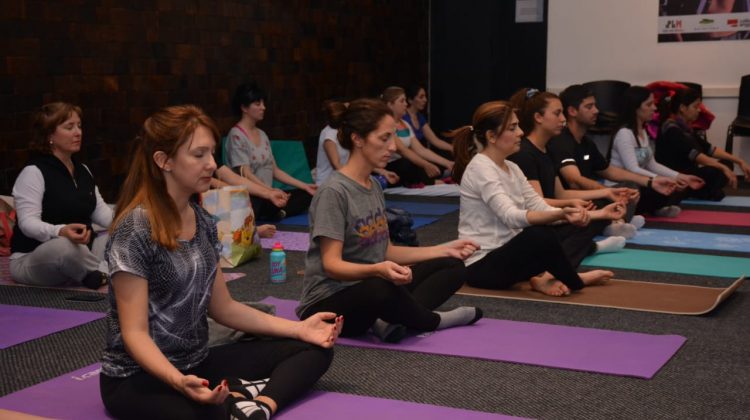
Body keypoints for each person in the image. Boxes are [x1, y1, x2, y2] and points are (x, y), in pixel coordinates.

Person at [100, 105, 342, 420]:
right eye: (199, 155)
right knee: (210, 414)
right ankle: (238, 398)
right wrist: (178, 381)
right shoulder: (134, 229)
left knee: (313, 349)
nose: (212, 164)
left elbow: (223, 308)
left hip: (197, 363)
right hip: (137, 377)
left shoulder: (203, 221)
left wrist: (299, 329)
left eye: (212, 153)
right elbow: (134, 334)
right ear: (164, 161)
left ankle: (259, 405)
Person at [296, 98, 482, 344]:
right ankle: (430, 320)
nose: (393, 147)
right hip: (328, 304)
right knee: (380, 286)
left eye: (392, 138)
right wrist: (377, 270)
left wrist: (444, 249)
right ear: (358, 139)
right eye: (384, 138)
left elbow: (386, 251)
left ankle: (390, 319)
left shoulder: (372, 185)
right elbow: (332, 265)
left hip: (372, 289)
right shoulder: (334, 192)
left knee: (452, 266)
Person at [451, 101, 614, 296]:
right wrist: (561, 213)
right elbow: (511, 216)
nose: (520, 132)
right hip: (481, 267)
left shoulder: (512, 168)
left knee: (572, 226)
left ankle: (544, 278)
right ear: (491, 136)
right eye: (513, 128)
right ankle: (575, 280)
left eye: (518, 126)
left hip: (511, 258)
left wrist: (596, 214)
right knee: (539, 234)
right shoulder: (481, 168)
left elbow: (540, 206)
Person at [508, 88, 628, 266]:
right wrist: (575, 207)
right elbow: (538, 204)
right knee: (585, 220)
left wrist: (607, 193)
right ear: (538, 118)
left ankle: (577, 251)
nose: (563, 119)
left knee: (596, 210)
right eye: (557, 113)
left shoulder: (546, 149)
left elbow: (562, 194)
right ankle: (565, 263)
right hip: (532, 225)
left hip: (547, 218)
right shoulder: (525, 154)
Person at [10, 102, 112, 289]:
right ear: (49, 135)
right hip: (34, 258)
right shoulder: (34, 172)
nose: (78, 132)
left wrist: (134, 222)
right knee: (64, 247)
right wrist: (60, 231)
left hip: (82, 253)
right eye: (69, 127)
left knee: (124, 232)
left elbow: (102, 213)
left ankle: (98, 273)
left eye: (79, 126)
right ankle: (105, 272)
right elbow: (27, 224)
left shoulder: (83, 170)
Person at [547, 84, 678, 222]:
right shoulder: (561, 140)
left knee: (631, 187)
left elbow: (608, 171)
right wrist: (608, 192)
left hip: (589, 196)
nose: (596, 111)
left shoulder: (586, 142)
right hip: (573, 200)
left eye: (595, 106)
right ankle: (614, 220)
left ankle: (616, 219)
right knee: (620, 193)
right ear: (572, 111)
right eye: (589, 107)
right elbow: (574, 181)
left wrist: (651, 182)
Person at [224, 82, 317, 221]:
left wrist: (305, 186)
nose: (263, 107)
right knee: (268, 200)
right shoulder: (236, 135)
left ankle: (280, 212)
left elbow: (275, 171)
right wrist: (269, 191)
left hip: (268, 194)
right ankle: (275, 211)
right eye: (257, 104)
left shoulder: (262, 134)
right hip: (252, 196)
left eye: (263, 103)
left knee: (306, 195)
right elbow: (246, 174)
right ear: (244, 107)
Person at [609, 86, 704, 216]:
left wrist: (681, 177)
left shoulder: (642, 131)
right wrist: (662, 180)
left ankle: (651, 208)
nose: (654, 108)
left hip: (643, 183)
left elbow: (652, 164)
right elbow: (633, 169)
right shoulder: (624, 134)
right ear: (635, 108)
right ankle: (643, 209)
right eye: (649, 104)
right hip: (625, 187)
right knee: (659, 189)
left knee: (678, 188)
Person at [656, 87, 749, 201]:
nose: (699, 110)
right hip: (677, 177)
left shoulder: (686, 128)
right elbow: (696, 156)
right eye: (695, 106)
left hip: (689, 174)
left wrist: (739, 161)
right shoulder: (671, 129)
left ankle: (705, 191)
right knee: (715, 171)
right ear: (683, 108)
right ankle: (701, 192)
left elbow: (710, 149)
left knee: (727, 163)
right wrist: (722, 168)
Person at [314, 99, 399, 186]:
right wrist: (356, 182)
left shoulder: (346, 132)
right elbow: (337, 165)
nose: (393, 147)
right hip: (328, 182)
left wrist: (382, 172)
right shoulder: (329, 134)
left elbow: (361, 159)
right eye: (384, 139)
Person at [382, 86, 454, 187]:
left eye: (405, 101)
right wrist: (425, 164)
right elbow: (403, 150)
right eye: (402, 101)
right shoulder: (385, 124)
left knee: (420, 161)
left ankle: (430, 178)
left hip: (406, 164)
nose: (405, 104)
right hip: (392, 166)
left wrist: (447, 163)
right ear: (390, 105)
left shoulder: (405, 124)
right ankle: (426, 181)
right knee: (408, 163)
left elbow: (420, 149)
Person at [403, 84, 453, 157]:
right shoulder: (403, 118)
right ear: (410, 100)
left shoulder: (420, 117)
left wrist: (453, 148)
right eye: (421, 97)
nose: (425, 100)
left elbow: (435, 140)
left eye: (425, 96)